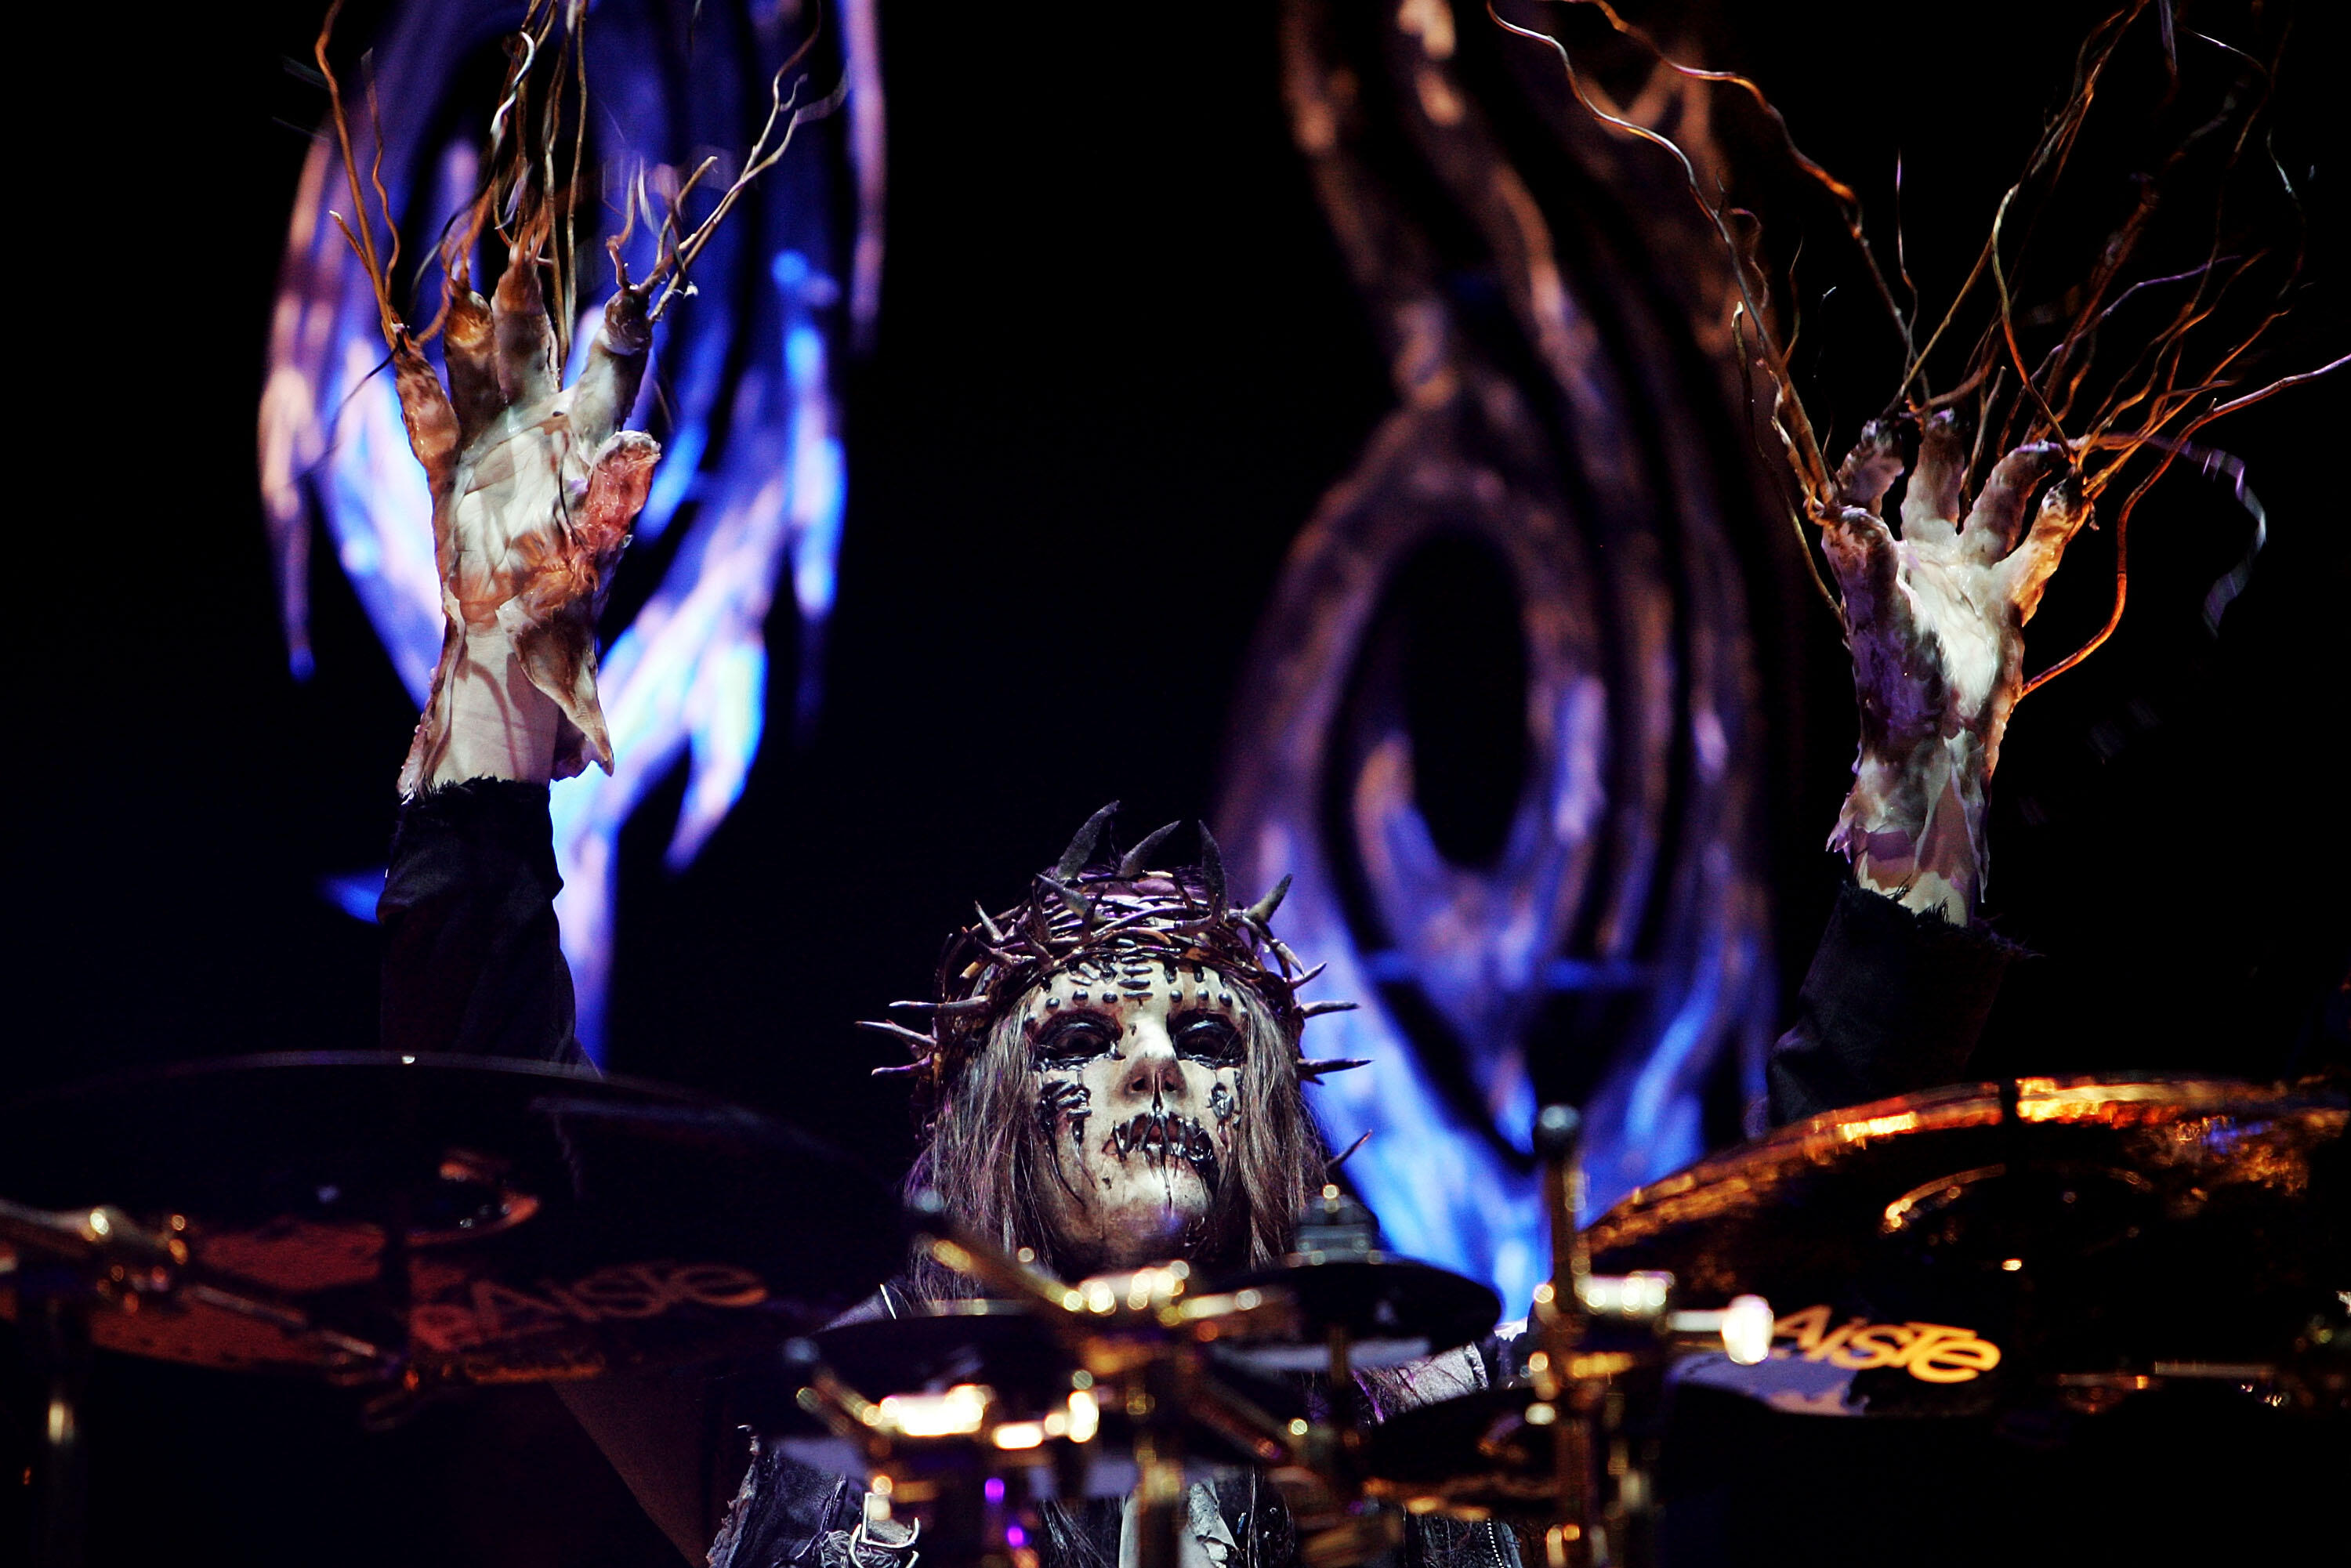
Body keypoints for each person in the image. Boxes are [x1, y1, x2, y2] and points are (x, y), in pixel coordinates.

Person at [371, 231, 2074, 1565]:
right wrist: (500, 681)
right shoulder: (805, 1423)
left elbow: (1777, 1253)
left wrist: (1922, 796)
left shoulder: (1461, 1422)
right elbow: (508, 1161)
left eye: (1204, 1036)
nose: (1156, 1067)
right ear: (974, 1118)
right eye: (1084, 1036)